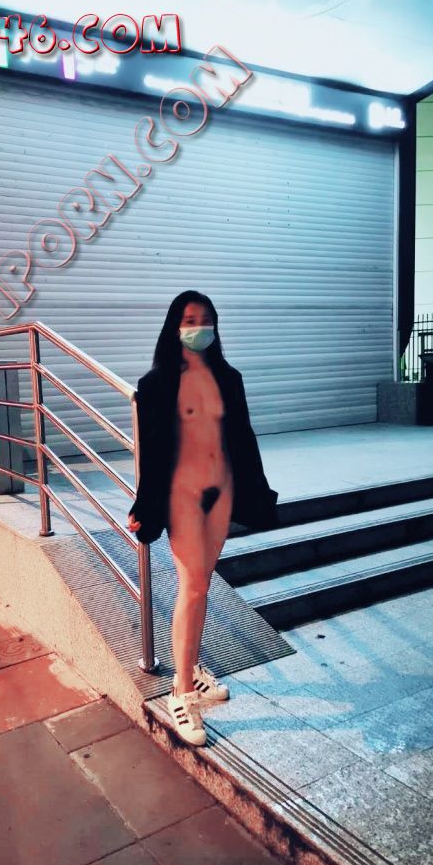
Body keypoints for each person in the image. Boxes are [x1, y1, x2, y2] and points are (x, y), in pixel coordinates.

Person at [126, 290, 279, 746]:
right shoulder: (156, 384)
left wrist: (259, 491)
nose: (199, 328)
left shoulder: (229, 378)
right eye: (190, 320)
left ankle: (190, 667)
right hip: (183, 495)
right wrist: (144, 505)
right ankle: (182, 693)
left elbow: (243, 438)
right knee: (193, 586)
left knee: (202, 585)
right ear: (174, 326)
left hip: (223, 492)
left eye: (206, 319)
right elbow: (152, 453)